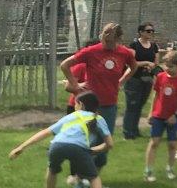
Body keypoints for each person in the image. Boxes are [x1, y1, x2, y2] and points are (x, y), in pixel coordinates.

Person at [9, 91, 113, 188]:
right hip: (79, 148)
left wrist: (21, 147)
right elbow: (109, 144)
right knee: (93, 177)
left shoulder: (71, 116)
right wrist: (92, 151)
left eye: (75, 103)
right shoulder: (98, 118)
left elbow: (45, 133)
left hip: (57, 145)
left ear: (80, 104)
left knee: (52, 170)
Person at [59, 23, 138, 154]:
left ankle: (92, 170)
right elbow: (64, 65)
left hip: (109, 104)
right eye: (104, 34)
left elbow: (133, 67)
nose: (105, 39)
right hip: (89, 105)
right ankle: (82, 170)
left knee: (105, 143)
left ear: (118, 39)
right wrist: (75, 84)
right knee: (85, 139)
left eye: (109, 36)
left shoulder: (124, 53)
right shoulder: (91, 51)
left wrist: (122, 81)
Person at [144, 51, 177, 182]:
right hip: (159, 115)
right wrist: (151, 112)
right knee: (154, 142)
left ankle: (170, 168)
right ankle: (148, 170)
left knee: (172, 144)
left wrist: (175, 115)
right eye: (166, 65)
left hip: (174, 117)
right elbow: (155, 95)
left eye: (171, 66)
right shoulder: (161, 77)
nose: (167, 68)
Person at [122, 22, 160, 139]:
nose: (151, 33)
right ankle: (128, 132)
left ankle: (135, 130)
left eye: (152, 31)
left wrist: (152, 66)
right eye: (148, 31)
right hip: (134, 79)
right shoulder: (134, 45)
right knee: (132, 105)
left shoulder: (154, 46)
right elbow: (130, 62)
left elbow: (156, 62)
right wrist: (145, 63)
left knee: (140, 105)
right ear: (141, 32)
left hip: (147, 79)